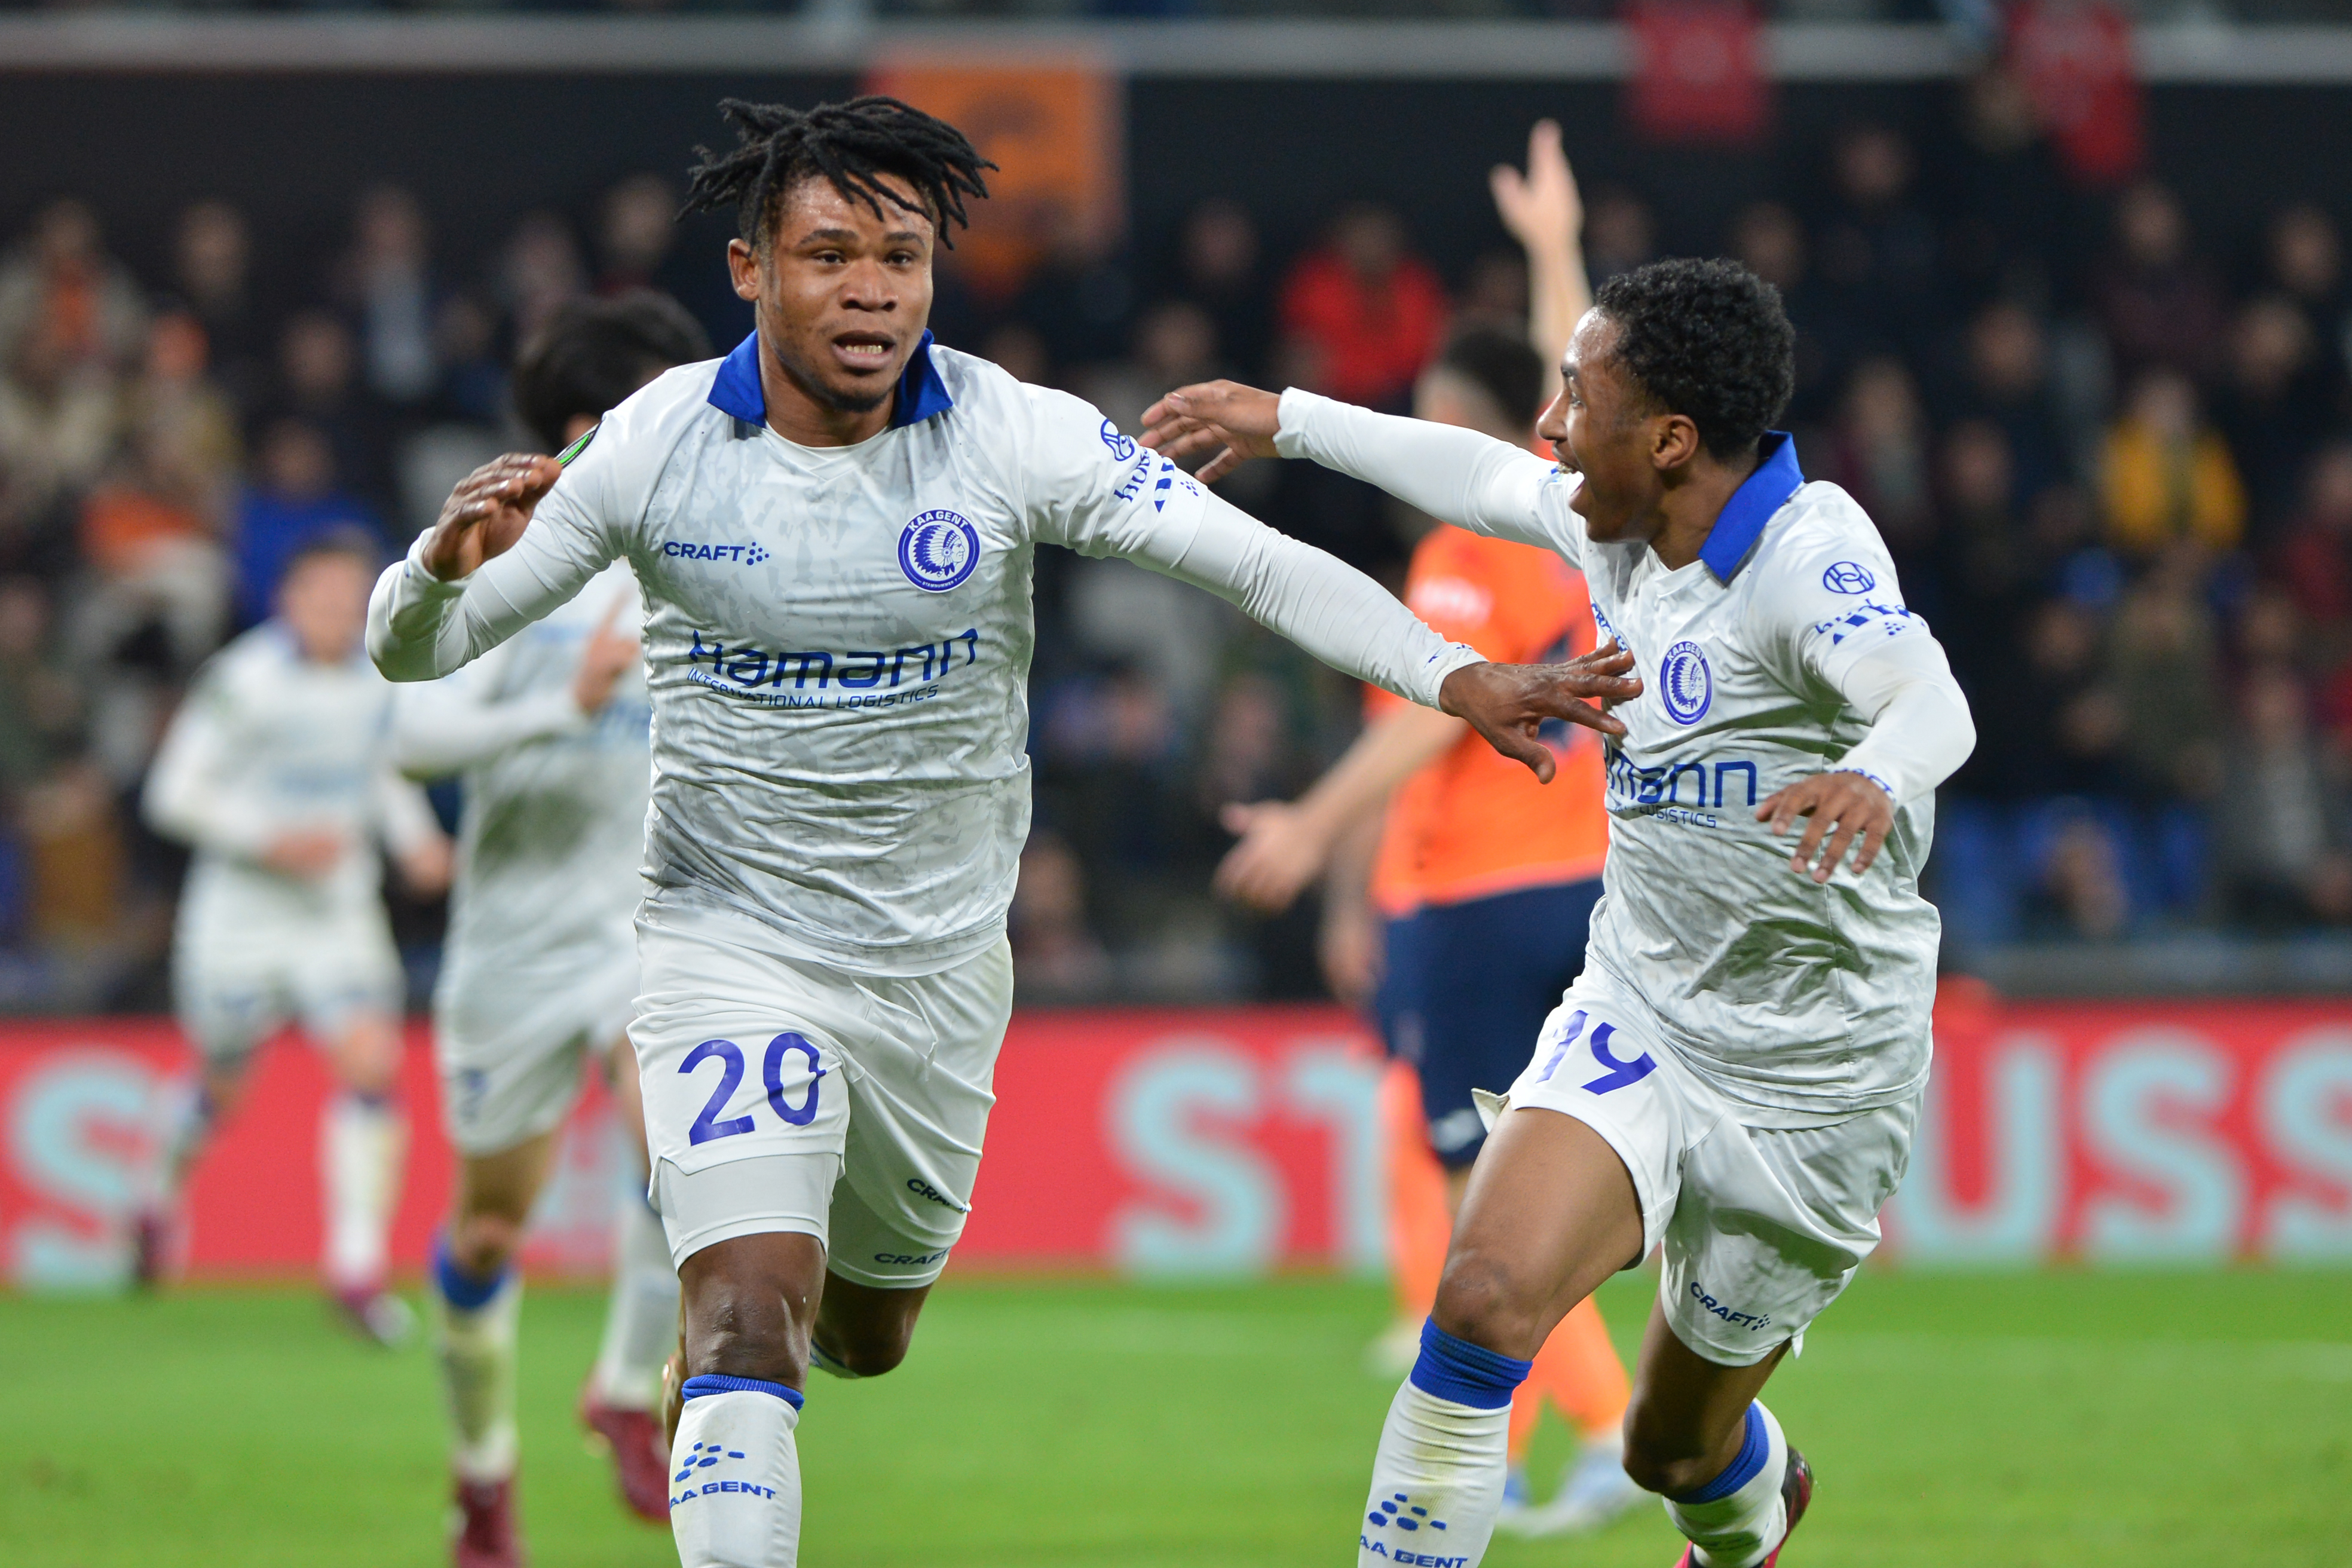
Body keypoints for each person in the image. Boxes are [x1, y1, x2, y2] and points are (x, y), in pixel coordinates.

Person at [365, 96, 1636, 1568]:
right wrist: (429, 573)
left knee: (871, 1328)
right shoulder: (657, 446)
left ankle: (755, 1350)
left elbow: (1255, 564)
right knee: (746, 1303)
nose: (871, 291)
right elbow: (418, 655)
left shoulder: (1009, 434)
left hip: (934, 973)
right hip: (723, 938)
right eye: (830, 254)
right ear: (748, 270)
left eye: (899, 257)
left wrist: (1454, 672)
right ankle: (714, 1382)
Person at [1142, 255, 1976, 1568]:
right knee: (1477, 1302)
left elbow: (1931, 699)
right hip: (1641, 1010)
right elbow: (1470, 473)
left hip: (1815, 1077)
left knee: (1671, 1451)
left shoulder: (1806, 556)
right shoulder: (1613, 520)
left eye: (1574, 396)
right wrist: (1280, 415)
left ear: (1672, 437)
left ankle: (1749, 1518)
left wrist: (1873, 769)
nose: (1546, 427)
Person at [1215, 122, 1640, 1538]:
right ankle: (1523, 1450)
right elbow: (1566, 373)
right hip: (1567, 877)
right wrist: (1549, 252)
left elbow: (1424, 717)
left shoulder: (1470, 550)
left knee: (1486, 1199)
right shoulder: (1569, 511)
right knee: (1487, 1178)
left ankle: (1611, 1423)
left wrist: (1307, 825)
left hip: (1479, 899)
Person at [394, 292, 710, 1566]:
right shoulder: (506, 556)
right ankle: (483, 1475)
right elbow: (411, 734)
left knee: (679, 1164)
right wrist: (558, 710)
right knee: (485, 1233)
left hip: (648, 927)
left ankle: (625, 1391)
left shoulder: (697, 560)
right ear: (587, 425)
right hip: (512, 945)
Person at [136, 528, 454, 1342]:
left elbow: (382, 773)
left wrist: (414, 841)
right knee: (224, 1082)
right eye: (323, 598)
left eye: (352, 601)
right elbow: (173, 793)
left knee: (369, 1060)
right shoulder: (242, 681)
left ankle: (355, 1270)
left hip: (334, 913)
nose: (338, 614)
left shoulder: (379, 678)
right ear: (289, 600)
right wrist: (269, 837)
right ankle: (156, 1199)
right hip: (241, 913)